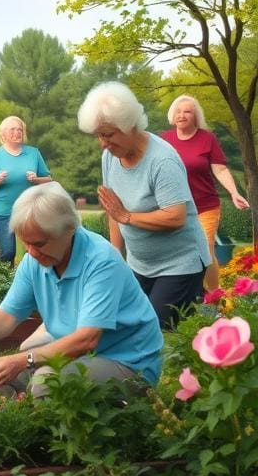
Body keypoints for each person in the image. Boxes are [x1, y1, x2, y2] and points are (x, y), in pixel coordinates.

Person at [0, 182, 163, 397]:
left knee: (47, 384)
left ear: (69, 229)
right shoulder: (34, 260)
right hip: (75, 356)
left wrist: (25, 360)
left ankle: (48, 426)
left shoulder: (101, 261)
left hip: (128, 363)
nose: (31, 252)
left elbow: (86, 339)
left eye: (39, 243)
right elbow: (8, 314)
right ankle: (19, 422)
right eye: (26, 243)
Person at [78, 81, 211, 329]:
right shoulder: (110, 156)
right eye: (98, 136)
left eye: (107, 134)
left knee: (157, 333)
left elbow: (175, 216)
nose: (103, 143)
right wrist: (115, 257)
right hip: (139, 265)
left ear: (129, 125)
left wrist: (127, 216)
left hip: (180, 264)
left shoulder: (162, 160)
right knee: (125, 327)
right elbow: (113, 210)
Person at [161, 95, 250, 291]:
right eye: (178, 111)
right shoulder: (164, 140)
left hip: (205, 206)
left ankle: (213, 299)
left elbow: (220, 169)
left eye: (187, 111)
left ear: (195, 116)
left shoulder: (207, 139)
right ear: (172, 114)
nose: (181, 115)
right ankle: (190, 298)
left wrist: (234, 193)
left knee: (204, 250)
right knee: (180, 255)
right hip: (175, 208)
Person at [0, 116, 52, 264]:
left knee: (37, 251)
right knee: (8, 253)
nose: (17, 132)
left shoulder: (33, 153)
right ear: (3, 133)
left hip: (28, 211)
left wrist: (36, 179)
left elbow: (49, 180)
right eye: (13, 129)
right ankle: (3, 284)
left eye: (20, 129)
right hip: (1, 212)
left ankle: (32, 281)